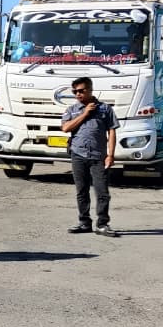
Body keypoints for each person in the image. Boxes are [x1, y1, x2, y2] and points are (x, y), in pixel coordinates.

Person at [59, 77, 119, 237]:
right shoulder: (72, 110)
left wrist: (110, 155)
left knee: (102, 191)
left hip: (98, 156)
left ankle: (102, 224)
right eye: (75, 92)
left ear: (90, 90)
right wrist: (85, 113)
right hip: (78, 154)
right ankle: (84, 222)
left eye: (81, 90)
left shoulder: (105, 109)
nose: (78, 94)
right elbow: (65, 128)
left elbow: (112, 131)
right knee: (81, 190)